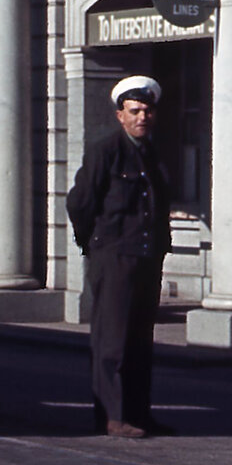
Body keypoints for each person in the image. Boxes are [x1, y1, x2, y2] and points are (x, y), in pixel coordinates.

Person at [66, 75, 172, 439]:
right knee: (112, 341)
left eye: (147, 111)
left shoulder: (152, 153)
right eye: (135, 111)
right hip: (114, 257)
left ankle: (140, 414)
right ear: (120, 116)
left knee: (140, 341)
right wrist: (94, 244)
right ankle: (113, 416)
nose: (143, 117)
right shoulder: (105, 151)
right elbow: (80, 202)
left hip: (145, 258)